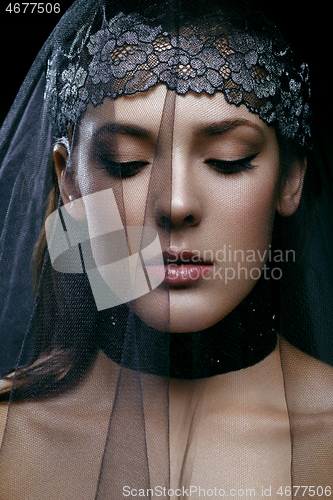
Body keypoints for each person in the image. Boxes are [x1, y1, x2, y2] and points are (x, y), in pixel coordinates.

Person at [0, 0, 332, 498]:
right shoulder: (8, 439)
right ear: (68, 181)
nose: (175, 204)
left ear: (290, 179)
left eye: (228, 160)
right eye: (126, 162)